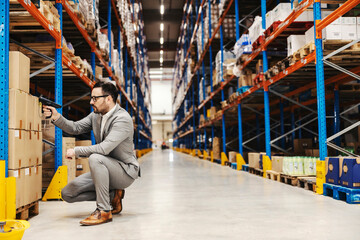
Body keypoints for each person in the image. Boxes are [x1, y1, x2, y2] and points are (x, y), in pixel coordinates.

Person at [43, 82, 140, 226]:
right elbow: (75, 128)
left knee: (96, 158)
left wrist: (76, 151)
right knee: (67, 194)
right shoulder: (96, 116)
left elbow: (104, 149)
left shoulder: (123, 119)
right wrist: (57, 117)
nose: (91, 102)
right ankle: (114, 196)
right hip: (104, 167)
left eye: (95, 98)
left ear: (108, 98)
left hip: (125, 171)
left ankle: (104, 211)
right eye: (91, 98)